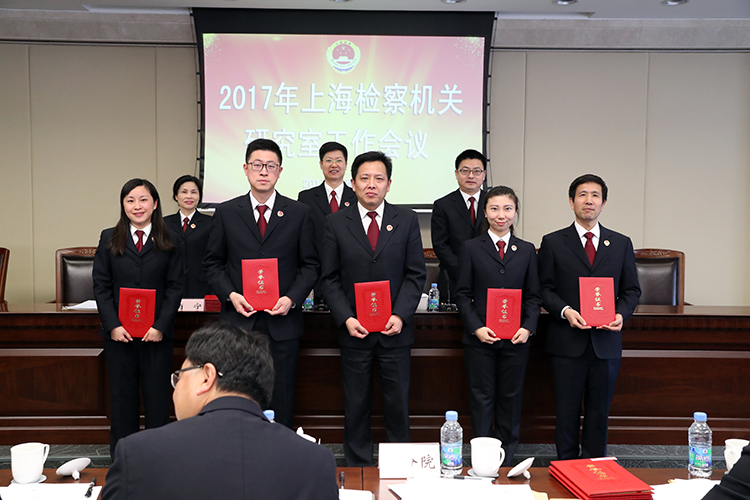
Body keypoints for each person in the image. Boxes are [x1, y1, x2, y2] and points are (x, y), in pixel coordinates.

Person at [102, 322, 338, 500]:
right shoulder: (316, 462)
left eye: (179, 376)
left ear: (207, 376)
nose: (175, 389)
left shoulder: (138, 454)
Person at [203, 138, 319, 428]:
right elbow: (213, 263)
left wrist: (291, 298)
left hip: (283, 322)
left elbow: (310, 265)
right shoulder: (227, 212)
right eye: (257, 165)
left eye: (270, 166)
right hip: (239, 322)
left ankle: (279, 451)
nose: (264, 171)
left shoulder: (299, 212)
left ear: (280, 171)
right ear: (246, 169)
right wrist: (231, 295)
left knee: (281, 394)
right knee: (237, 394)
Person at [320, 151, 426, 466]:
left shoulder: (406, 219)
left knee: (398, 404)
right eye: (364, 178)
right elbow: (329, 278)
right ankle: (357, 467)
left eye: (378, 178)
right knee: (355, 404)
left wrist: (400, 315)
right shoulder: (335, 222)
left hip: (395, 332)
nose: (371, 184)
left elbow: (415, 274)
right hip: (355, 331)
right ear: (352, 183)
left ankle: (401, 465)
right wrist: (346, 318)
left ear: (389, 184)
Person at [538, 174, 641, 460]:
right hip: (567, 342)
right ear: (571, 202)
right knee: (566, 412)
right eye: (582, 195)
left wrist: (621, 314)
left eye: (595, 195)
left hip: (605, 342)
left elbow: (632, 289)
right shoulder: (553, 242)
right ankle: (566, 467)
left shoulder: (620, 243)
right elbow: (543, 289)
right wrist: (565, 311)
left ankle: (595, 468)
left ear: (603, 203)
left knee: (599, 412)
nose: (589, 201)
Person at [92, 178, 183, 456]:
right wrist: (113, 325)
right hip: (120, 336)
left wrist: (160, 325)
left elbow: (176, 286)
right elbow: (101, 285)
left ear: (155, 204)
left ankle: (157, 459)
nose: (137, 206)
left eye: (143, 199)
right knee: (122, 401)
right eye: (130, 200)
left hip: (156, 336)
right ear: (123, 205)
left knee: (157, 400)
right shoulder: (109, 237)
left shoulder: (171, 238)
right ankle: (123, 459)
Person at [454, 185, 541, 466]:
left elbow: (533, 296)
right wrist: (476, 327)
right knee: (481, 399)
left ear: (515, 212)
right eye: (494, 208)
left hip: (516, 339)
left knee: (511, 399)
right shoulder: (470, 248)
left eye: (507, 208)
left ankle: (506, 460)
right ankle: (482, 460)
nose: (501, 215)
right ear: (485, 212)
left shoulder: (526, 250)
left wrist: (527, 327)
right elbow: (462, 294)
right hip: (480, 339)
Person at [297, 142, 357, 307]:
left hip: (349, 274)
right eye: (329, 160)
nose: (334, 165)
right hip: (317, 275)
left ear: (346, 164)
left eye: (339, 160)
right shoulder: (306, 198)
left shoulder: (357, 198)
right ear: (321, 164)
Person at [431, 149, 487, 304]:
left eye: (477, 171)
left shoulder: (494, 203)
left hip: (488, 277)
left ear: (484, 175)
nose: (471, 176)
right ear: (456, 174)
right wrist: (464, 271)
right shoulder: (443, 205)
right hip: (453, 279)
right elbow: (440, 245)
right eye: (465, 171)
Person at [164, 175, 213, 298]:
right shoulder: (164, 223)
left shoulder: (211, 223)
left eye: (194, 192)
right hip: (171, 286)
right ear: (176, 196)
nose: (189, 196)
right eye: (184, 192)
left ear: (199, 196)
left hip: (201, 286)